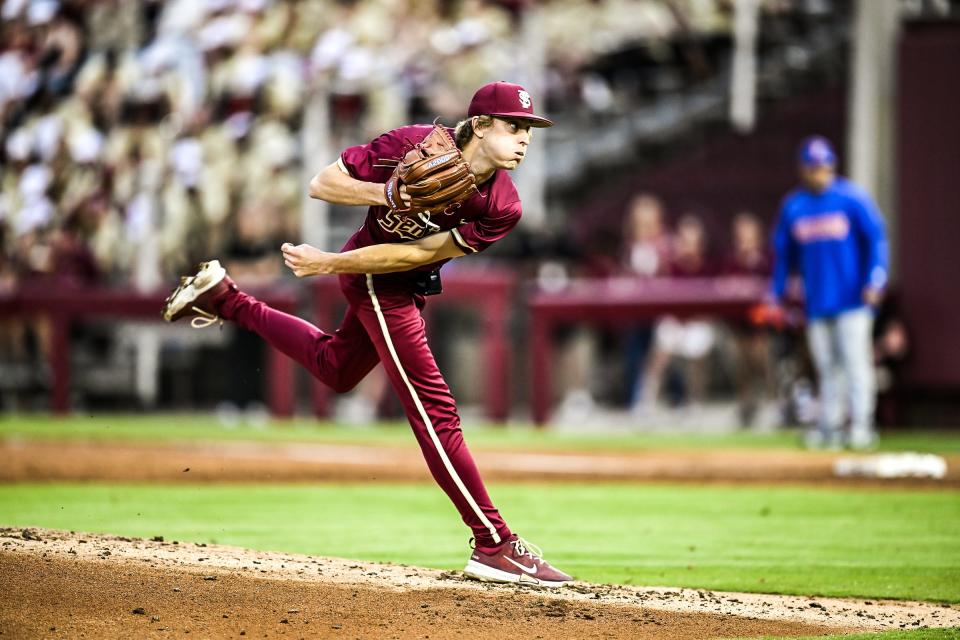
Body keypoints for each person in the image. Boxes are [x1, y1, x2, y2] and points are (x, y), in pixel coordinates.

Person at [160, 81, 572, 587]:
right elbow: (322, 183)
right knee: (435, 409)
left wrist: (331, 262)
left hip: (397, 275)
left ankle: (224, 298)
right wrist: (388, 193)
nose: (525, 138)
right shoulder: (412, 145)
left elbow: (420, 254)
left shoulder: (503, 205)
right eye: (514, 126)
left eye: (529, 128)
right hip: (379, 286)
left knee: (336, 369)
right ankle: (494, 543)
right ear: (481, 126)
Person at [770, 136, 889, 450]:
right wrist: (776, 292)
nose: (818, 173)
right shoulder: (794, 206)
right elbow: (784, 255)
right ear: (803, 169)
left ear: (832, 166)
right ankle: (830, 427)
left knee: (855, 363)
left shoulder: (851, 198)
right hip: (817, 301)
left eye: (823, 167)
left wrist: (876, 279)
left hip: (852, 299)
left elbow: (877, 240)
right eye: (812, 167)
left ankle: (862, 425)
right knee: (826, 366)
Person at [639, 213, 717, 413]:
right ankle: (645, 404)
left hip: (698, 323)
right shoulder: (670, 267)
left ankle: (696, 402)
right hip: (674, 321)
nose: (688, 245)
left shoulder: (708, 267)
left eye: (692, 240)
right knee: (660, 351)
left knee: (698, 347)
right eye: (684, 240)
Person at [722, 212, 773, 427]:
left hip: (762, 327)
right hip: (737, 326)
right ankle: (745, 405)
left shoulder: (766, 260)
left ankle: (771, 405)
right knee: (739, 361)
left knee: (761, 357)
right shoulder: (730, 261)